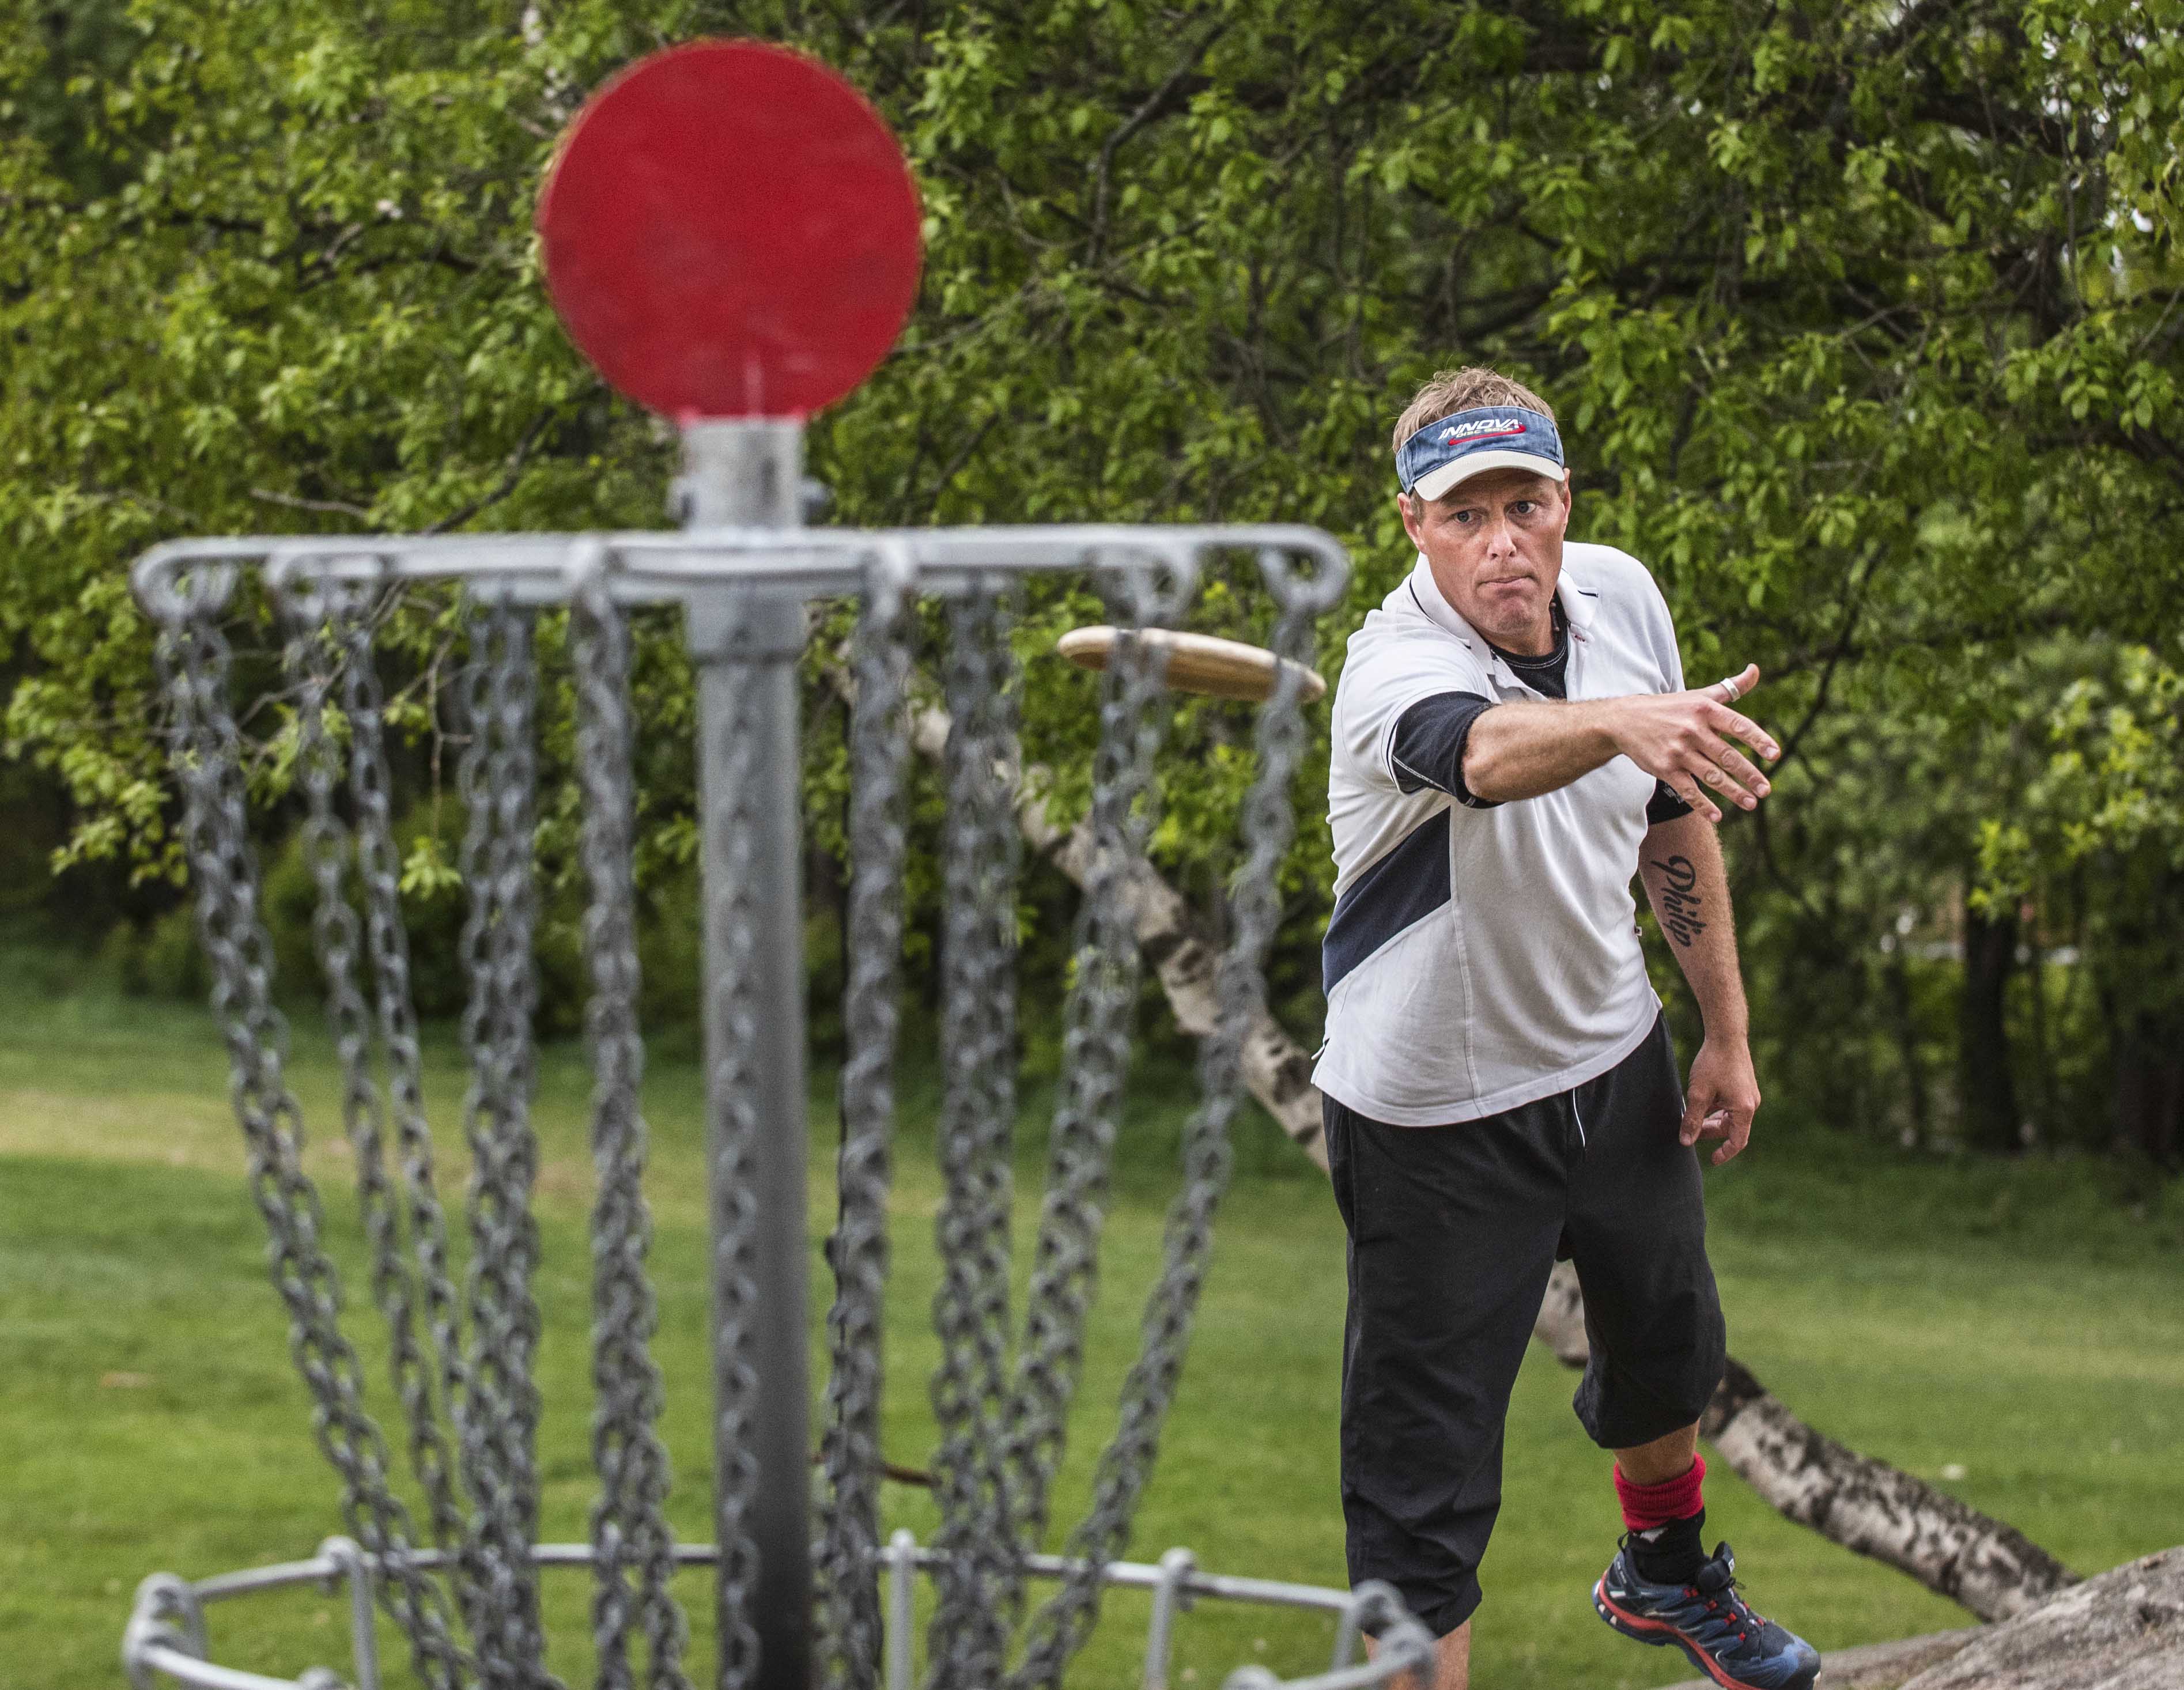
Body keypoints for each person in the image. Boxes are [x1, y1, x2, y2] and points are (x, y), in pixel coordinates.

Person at [1314, 366, 1821, 1690]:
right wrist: (1617, 718)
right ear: (1412, 525)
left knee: (1665, 1352)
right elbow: (1480, 755)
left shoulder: (1618, 593)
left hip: (1607, 1057)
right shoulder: (1391, 669)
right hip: (1432, 1112)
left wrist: (1723, 1031)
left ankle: (1663, 1575)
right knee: (1420, 1489)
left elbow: (1669, 817)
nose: (1501, 539)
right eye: (1463, 511)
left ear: (1562, 501)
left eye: (1522, 503)